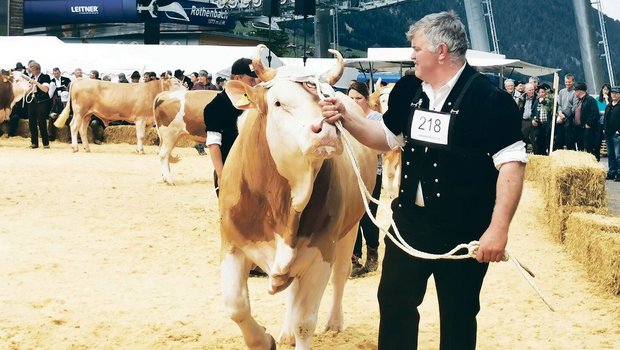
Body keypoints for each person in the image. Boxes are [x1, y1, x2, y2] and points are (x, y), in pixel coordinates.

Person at [320, 11, 526, 349]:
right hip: (409, 225)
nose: (411, 54)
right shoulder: (408, 89)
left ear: (441, 51)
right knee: (394, 303)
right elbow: (385, 138)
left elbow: (512, 165)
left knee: (458, 315)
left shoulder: (490, 100)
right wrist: (347, 118)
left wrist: (498, 228)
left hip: (464, 230)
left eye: (416, 48)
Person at [203, 57, 265, 277]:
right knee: (233, 218)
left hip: (257, 171)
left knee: (258, 215)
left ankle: (256, 262)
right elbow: (213, 143)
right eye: (251, 78)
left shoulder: (258, 102)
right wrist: (222, 174)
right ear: (237, 79)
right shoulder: (215, 107)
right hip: (230, 169)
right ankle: (238, 261)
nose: (255, 82)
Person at [347, 81, 383, 278]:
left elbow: (383, 146)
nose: (354, 102)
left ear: (367, 99)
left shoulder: (375, 118)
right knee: (352, 216)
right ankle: (354, 257)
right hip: (351, 171)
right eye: (351, 98)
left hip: (372, 172)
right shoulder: (346, 118)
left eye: (358, 98)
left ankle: (372, 252)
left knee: (369, 215)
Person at [26, 61, 52, 149]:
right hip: (32, 101)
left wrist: (36, 83)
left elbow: (45, 89)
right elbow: (28, 90)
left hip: (42, 102)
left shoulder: (45, 77)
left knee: (42, 122)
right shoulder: (31, 77)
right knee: (31, 122)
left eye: (32, 69)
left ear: (36, 69)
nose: (31, 71)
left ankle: (45, 143)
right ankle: (34, 143)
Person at [568, 82, 599, 154]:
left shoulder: (590, 100)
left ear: (580, 91)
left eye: (575, 90)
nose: (575, 92)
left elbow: (594, 113)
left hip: (587, 129)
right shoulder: (579, 101)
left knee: (588, 148)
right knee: (580, 148)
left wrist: (588, 124)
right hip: (578, 129)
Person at [554, 73, 578, 150]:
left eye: (569, 82)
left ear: (573, 82)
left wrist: (565, 115)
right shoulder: (561, 92)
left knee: (569, 141)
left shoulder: (575, 92)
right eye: (566, 82)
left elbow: (574, 107)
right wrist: (560, 113)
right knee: (559, 140)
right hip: (561, 117)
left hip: (570, 119)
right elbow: (559, 104)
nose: (567, 83)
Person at [47, 67, 71, 141]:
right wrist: (51, 114)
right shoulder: (52, 81)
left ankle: (71, 137)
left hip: (67, 97)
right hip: (57, 98)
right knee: (51, 118)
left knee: (71, 119)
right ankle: (51, 136)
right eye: (55, 74)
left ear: (60, 72)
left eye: (57, 73)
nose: (56, 75)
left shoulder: (66, 79)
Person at [604, 86, 620, 181]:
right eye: (612, 93)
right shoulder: (608, 106)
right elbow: (605, 118)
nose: (613, 94)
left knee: (618, 155)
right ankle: (611, 171)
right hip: (608, 133)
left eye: (616, 93)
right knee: (610, 154)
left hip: (617, 134)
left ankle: (619, 172)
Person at [594, 84, 611, 161]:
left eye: (607, 89)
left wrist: (607, 99)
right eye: (604, 89)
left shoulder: (611, 100)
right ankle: (597, 158)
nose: (605, 91)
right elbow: (596, 111)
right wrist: (603, 112)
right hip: (599, 124)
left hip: (608, 124)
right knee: (597, 142)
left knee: (609, 142)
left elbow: (610, 110)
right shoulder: (597, 99)